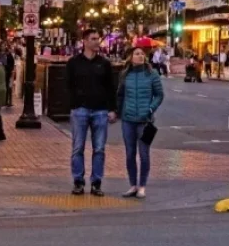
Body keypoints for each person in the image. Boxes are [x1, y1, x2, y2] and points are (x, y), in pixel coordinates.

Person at [66, 28, 116, 197]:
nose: (97, 42)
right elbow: (68, 85)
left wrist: (112, 109)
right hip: (80, 110)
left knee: (99, 148)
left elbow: (111, 87)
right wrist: (74, 104)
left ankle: (96, 182)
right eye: (93, 39)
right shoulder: (74, 63)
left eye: (98, 38)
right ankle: (78, 181)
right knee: (78, 147)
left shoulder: (104, 63)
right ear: (85, 41)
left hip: (100, 110)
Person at [117, 47, 164, 199]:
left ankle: (142, 186)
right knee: (130, 153)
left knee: (144, 154)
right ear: (130, 57)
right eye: (137, 54)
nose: (140, 56)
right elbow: (120, 95)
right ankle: (133, 185)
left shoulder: (152, 74)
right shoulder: (125, 75)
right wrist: (118, 112)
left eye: (142, 54)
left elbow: (159, 95)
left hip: (145, 121)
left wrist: (151, 109)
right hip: (128, 120)